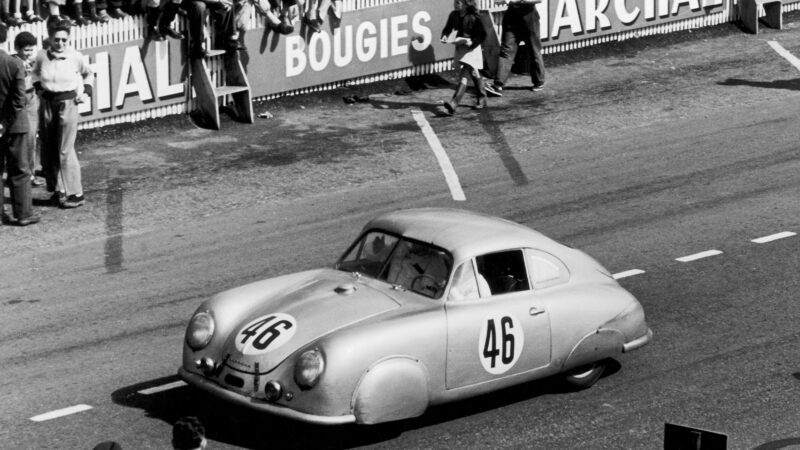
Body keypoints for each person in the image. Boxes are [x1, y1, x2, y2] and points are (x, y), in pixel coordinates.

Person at [32, 18, 92, 208]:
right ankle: (59, 191)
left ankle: (76, 193)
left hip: (67, 104)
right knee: (49, 148)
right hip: (47, 103)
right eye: (57, 39)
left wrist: (86, 93)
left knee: (65, 150)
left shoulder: (76, 56)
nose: (60, 44)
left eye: (64, 40)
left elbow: (89, 74)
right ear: (49, 38)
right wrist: (39, 89)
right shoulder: (41, 56)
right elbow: (34, 74)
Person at [1, 23, 39, 226]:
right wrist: (4, 123)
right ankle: (23, 214)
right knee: (20, 170)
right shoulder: (13, 64)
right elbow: (19, 100)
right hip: (15, 124)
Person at [485, 0, 545, 96]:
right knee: (506, 50)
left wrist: (515, 0)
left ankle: (539, 82)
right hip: (511, 17)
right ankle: (498, 85)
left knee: (534, 50)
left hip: (529, 17)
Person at [440, 0, 487, 115]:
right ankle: (482, 97)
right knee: (474, 73)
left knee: (465, 75)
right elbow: (447, 29)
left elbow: (482, 34)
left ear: (465, 4)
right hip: (461, 48)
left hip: (471, 49)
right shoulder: (453, 15)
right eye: (455, 2)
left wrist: (472, 43)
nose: (455, 4)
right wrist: (445, 37)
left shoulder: (473, 17)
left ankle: (454, 104)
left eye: (458, 2)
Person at [13, 31, 42, 188]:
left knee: (31, 138)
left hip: (32, 102)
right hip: (18, 104)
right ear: (17, 48)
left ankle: (31, 173)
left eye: (31, 50)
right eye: (26, 50)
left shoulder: (34, 62)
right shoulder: (12, 62)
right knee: (19, 140)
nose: (29, 53)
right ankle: (19, 173)